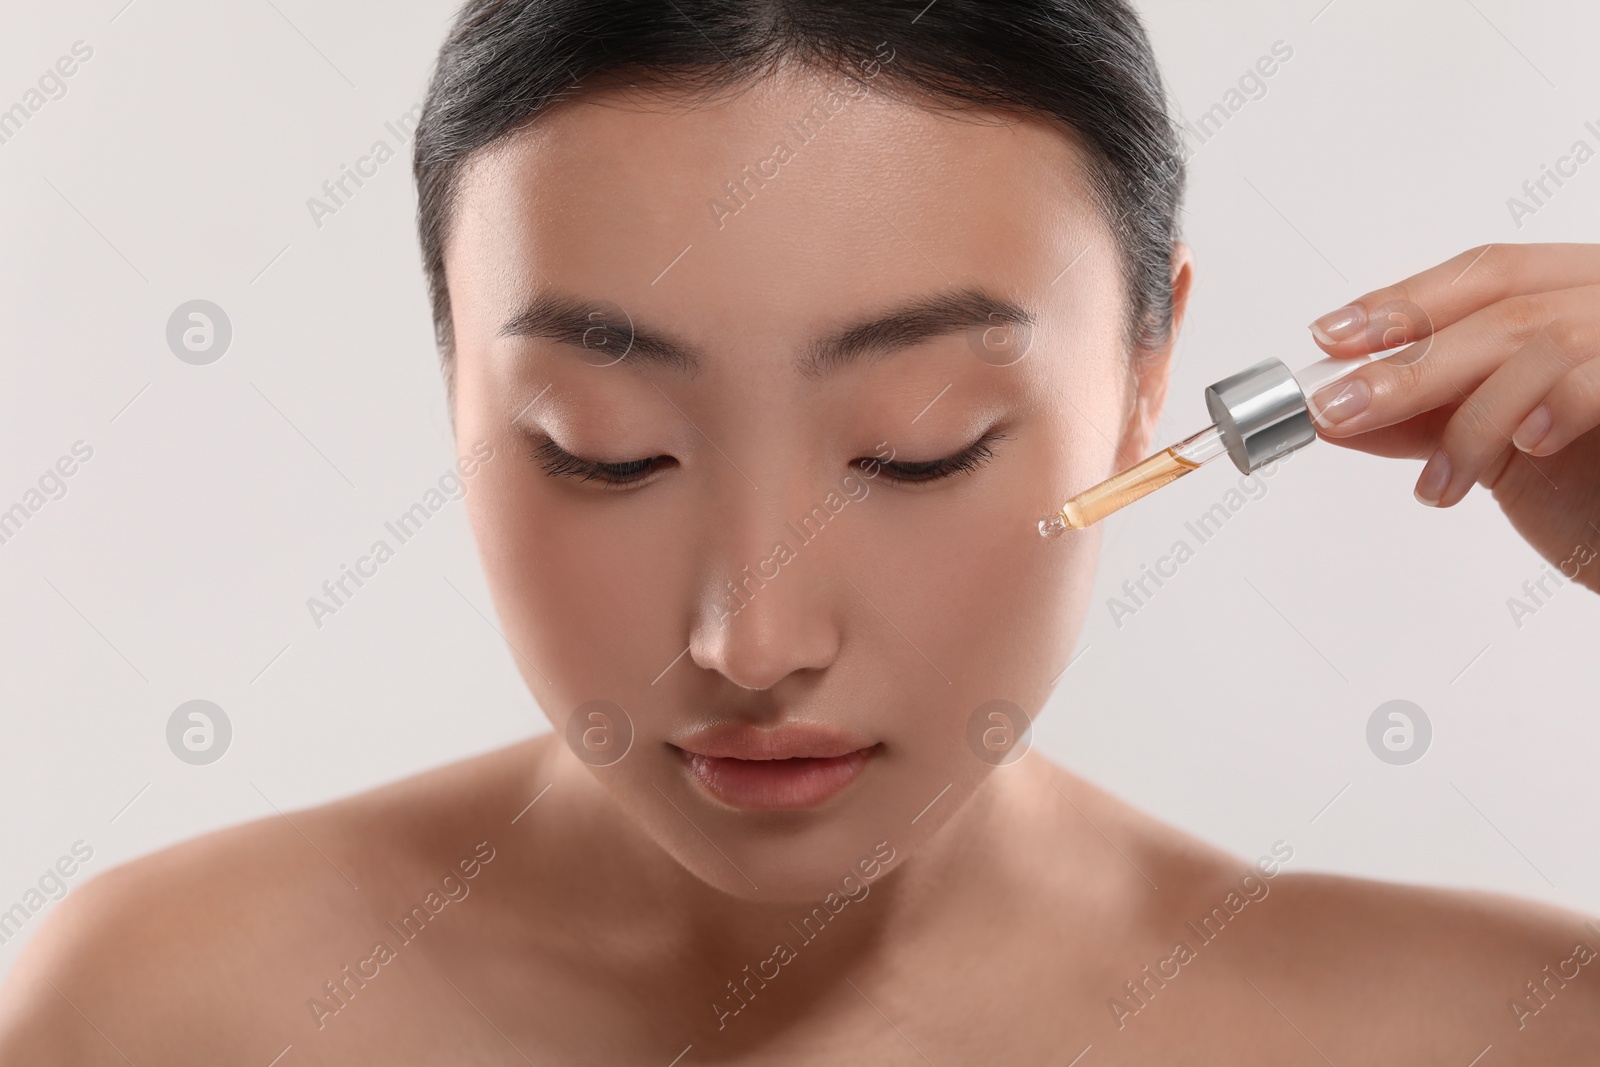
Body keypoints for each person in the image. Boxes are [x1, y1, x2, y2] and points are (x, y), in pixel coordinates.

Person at [2, 0, 1597, 1062]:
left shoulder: (1497, 1032)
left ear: (1146, 378)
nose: (752, 644)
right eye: (601, 451)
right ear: (452, 375)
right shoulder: (162, 1009)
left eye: (921, 449)